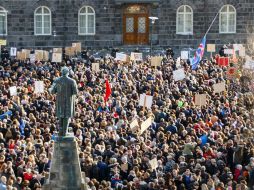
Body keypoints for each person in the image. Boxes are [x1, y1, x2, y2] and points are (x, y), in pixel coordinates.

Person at [49, 66, 78, 136]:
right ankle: (65, 132)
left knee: (61, 116)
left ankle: (60, 131)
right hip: (69, 101)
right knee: (66, 116)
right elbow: (75, 92)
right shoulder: (72, 81)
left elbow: (52, 91)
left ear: (61, 73)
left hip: (60, 102)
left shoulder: (57, 80)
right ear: (68, 73)